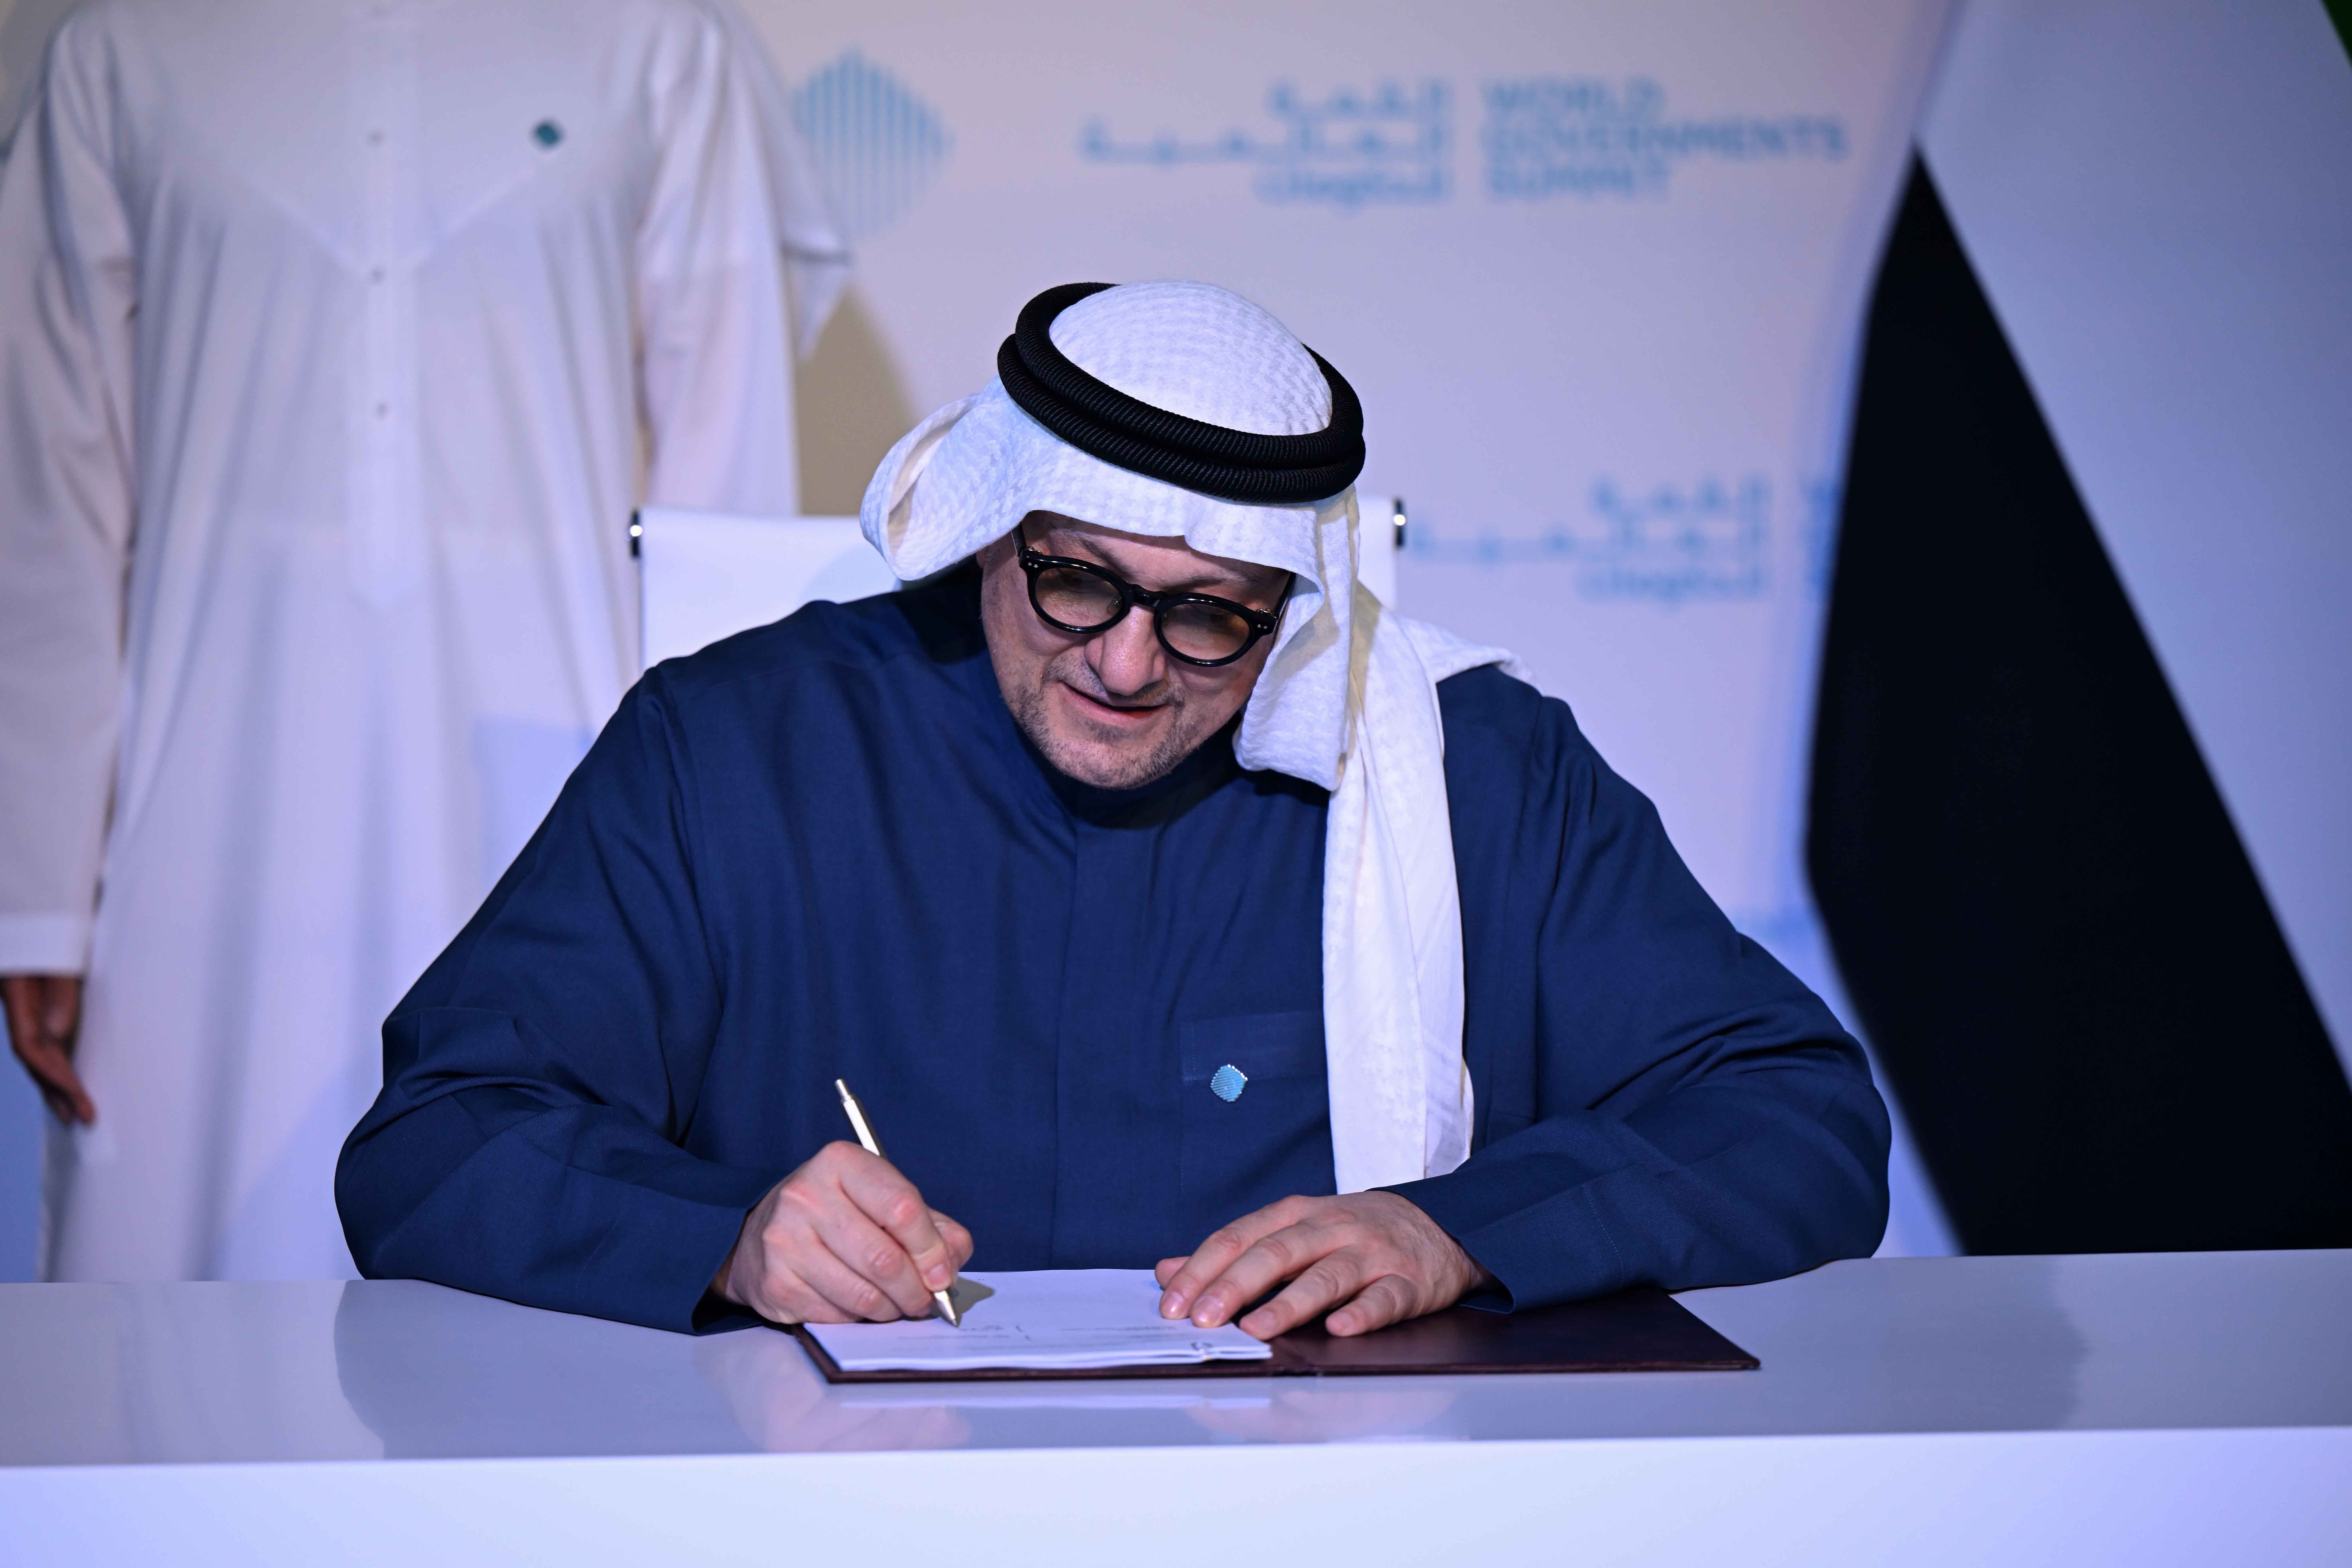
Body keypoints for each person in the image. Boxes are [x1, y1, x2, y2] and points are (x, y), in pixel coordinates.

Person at [338, 280, 1890, 1339]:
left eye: (1210, 616)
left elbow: (1795, 1115)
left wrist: (1459, 1230)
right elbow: (438, 1138)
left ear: (1292, 606)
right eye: (1077, 582)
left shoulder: (1469, 767)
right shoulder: (738, 746)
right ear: (991, 528)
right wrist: (728, 1237)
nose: (1129, 665)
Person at [0, 0, 844, 1280]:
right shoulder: (121, 49)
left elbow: (727, 494)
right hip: (206, 827)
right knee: (169, 1297)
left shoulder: (658, 42)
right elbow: (44, 495)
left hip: (559, 810)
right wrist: (39, 896)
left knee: (543, 1238)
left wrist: (734, 891)